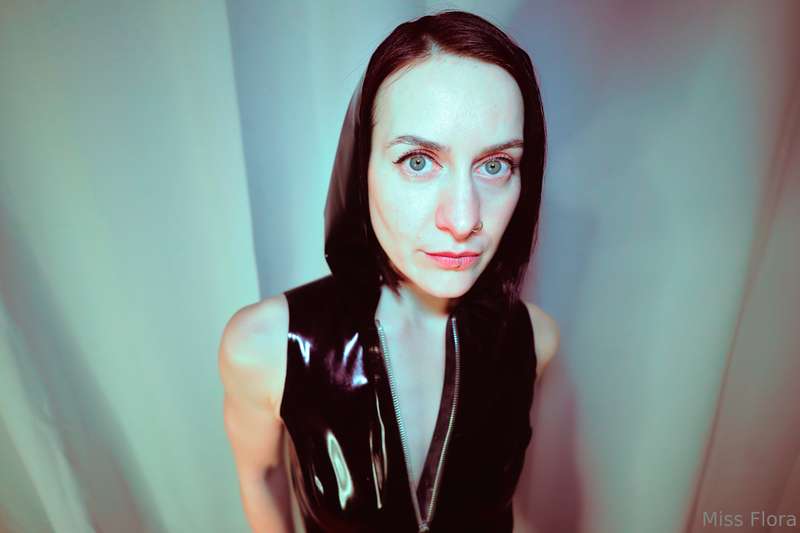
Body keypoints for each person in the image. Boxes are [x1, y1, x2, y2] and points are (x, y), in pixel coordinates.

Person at [218, 9, 560, 533]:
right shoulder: (265, 348)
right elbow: (258, 479)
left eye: (495, 165)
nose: (463, 220)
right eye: (418, 161)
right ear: (362, 169)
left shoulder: (534, 340)